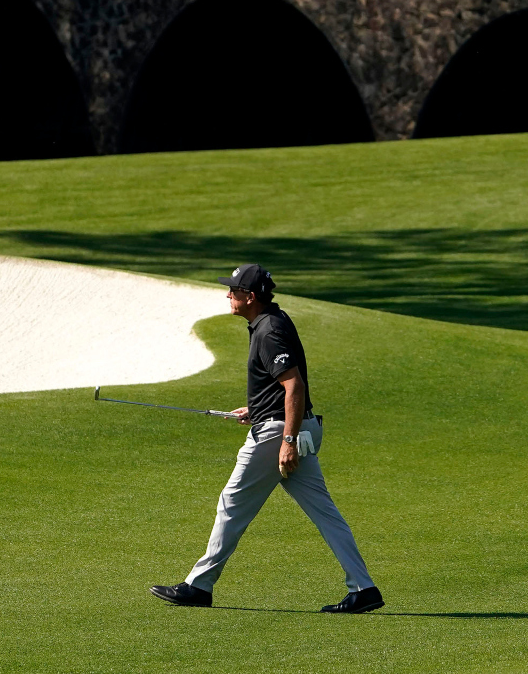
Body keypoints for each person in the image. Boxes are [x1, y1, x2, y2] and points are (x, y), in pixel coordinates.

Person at [149, 263, 383, 613]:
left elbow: (294, 385)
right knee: (326, 514)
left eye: (234, 290)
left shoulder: (269, 330)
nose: (228, 294)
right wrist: (256, 408)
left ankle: (199, 586)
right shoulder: (269, 321)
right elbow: (282, 385)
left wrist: (287, 441)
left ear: (250, 296)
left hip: (279, 435)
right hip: (290, 426)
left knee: (232, 505)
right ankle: (364, 589)